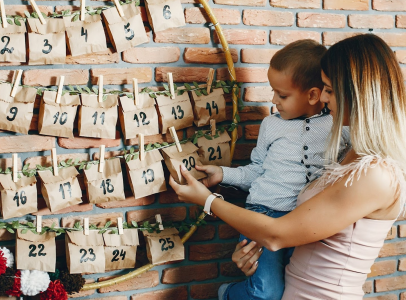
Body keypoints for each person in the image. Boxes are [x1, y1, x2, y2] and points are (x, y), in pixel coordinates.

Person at [170, 33, 406, 299]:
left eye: (328, 89)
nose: (324, 99)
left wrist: (208, 200)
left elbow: (277, 235)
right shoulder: (352, 153)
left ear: (356, 93)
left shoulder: (376, 174)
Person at [194, 39, 348, 300]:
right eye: (273, 91)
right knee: (266, 294)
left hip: (306, 222)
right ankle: (228, 294)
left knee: (291, 290)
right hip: (263, 214)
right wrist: (223, 173)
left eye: (282, 95)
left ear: (313, 95)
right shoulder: (271, 125)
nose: (273, 99)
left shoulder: (340, 127)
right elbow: (257, 170)